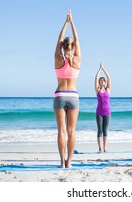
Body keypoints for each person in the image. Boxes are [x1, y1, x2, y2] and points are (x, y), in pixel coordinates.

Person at [53, 9, 81, 168]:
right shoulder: (77, 60)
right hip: (73, 96)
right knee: (71, 132)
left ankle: (61, 162)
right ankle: (69, 162)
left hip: (59, 95)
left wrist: (66, 22)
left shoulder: (58, 58)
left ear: (63, 46)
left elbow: (59, 39)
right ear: (73, 46)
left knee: (61, 132)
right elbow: (77, 39)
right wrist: (73, 22)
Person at [95, 63, 112, 152]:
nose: (102, 81)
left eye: (103, 80)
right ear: (99, 82)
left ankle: (105, 147)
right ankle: (100, 147)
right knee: (99, 130)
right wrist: (99, 70)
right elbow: (95, 78)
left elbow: (109, 78)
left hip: (107, 112)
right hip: (99, 112)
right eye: (101, 80)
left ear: (105, 82)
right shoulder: (97, 90)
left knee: (105, 130)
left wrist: (104, 69)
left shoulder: (108, 90)